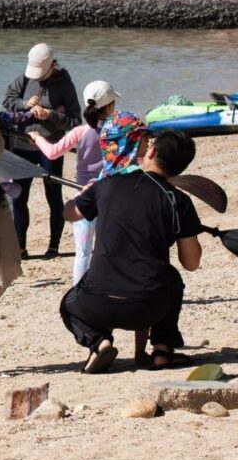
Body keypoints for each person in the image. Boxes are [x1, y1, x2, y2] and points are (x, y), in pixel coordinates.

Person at [58, 131, 204, 373]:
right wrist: (188, 228)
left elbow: (70, 214)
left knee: (68, 304)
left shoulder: (107, 186)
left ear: (151, 152)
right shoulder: (178, 200)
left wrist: (84, 195)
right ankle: (162, 349)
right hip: (149, 308)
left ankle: (99, 341)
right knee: (173, 279)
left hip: (97, 304)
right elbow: (191, 263)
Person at [11, 79, 124, 286]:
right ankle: (110, 286)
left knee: (82, 251)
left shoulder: (80, 131)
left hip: (83, 196)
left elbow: (53, 153)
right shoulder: (118, 130)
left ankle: (79, 291)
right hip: (111, 195)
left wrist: (37, 138)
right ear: (109, 107)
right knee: (107, 247)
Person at [2, 43, 80, 260]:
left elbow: (75, 120)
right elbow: (7, 101)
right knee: (19, 197)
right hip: (22, 144)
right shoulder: (25, 78)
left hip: (51, 148)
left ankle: (53, 247)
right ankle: (20, 247)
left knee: (53, 196)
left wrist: (50, 115)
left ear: (52, 65)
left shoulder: (65, 84)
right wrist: (25, 103)